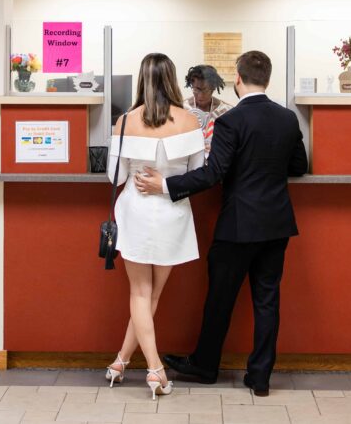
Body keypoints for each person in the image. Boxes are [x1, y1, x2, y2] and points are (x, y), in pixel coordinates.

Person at [134, 51, 308, 397]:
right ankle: (260, 378)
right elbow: (299, 165)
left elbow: (214, 173)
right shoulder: (287, 119)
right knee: (267, 301)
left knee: (219, 300)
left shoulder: (232, 121)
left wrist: (166, 185)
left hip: (238, 226)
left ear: (237, 79)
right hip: (276, 224)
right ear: (268, 80)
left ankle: (205, 365)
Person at [104, 53, 204, 401]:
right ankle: (148, 367)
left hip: (135, 208)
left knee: (140, 294)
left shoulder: (123, 122)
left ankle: (130, 363)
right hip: (172, 211)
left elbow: (113, 178)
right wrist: (167, 180)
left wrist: (138, 173)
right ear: (173, 79)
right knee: (153, 295)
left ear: (141, 81)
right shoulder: (190, 121)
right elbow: (197, 173)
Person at [183, 65, 233, 159]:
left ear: (213, 88)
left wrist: (218, 148)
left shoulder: (227, 111)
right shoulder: (182, 108)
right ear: (191, 85)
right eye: (196, 89)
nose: (200, 96)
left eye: (205, 90)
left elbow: (232, 143)